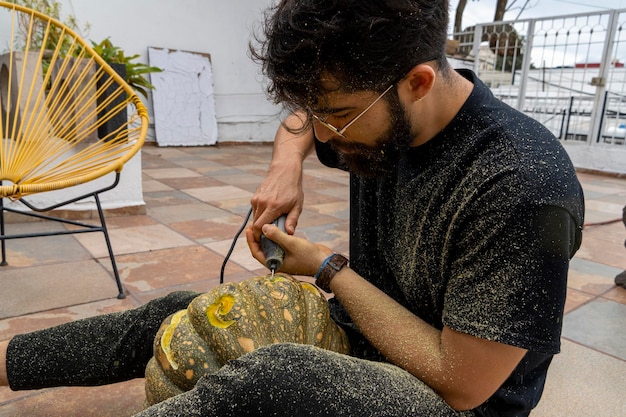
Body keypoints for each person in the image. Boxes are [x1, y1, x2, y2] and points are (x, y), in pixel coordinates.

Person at [0, 1, 584, 416]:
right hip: (373, 338)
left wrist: (330, 270)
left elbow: (465, 383)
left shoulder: (522, 185)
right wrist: (286, 167)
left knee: (274, 379)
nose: (326, 136)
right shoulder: (380, 112)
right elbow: (304, 122)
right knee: (191, 310)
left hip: (451, 400)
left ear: (418, 81)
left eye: (337, 116)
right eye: (316, 114)